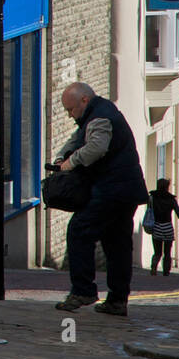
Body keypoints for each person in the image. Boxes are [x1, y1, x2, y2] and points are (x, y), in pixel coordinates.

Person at [52, 82, 149, 316]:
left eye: (72, 109)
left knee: (79, 229)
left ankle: (83, 290)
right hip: (126, 189)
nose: (70, 114)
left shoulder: (100, 117)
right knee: (117, 244)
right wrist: (61, 156)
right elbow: (77, 139)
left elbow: (96, 147)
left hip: (113, 188)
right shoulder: (101, 111)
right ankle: (117, 300)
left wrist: (70, 162)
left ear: (84, 100)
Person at [146, 178, 179, 276]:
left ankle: (154, 266)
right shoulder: (171, 199)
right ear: (167, 187)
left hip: (156, 226)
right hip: (168, 226)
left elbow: (149, 211)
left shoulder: (152, 197)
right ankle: (166, 271)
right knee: (167, 252)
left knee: (157, 251)